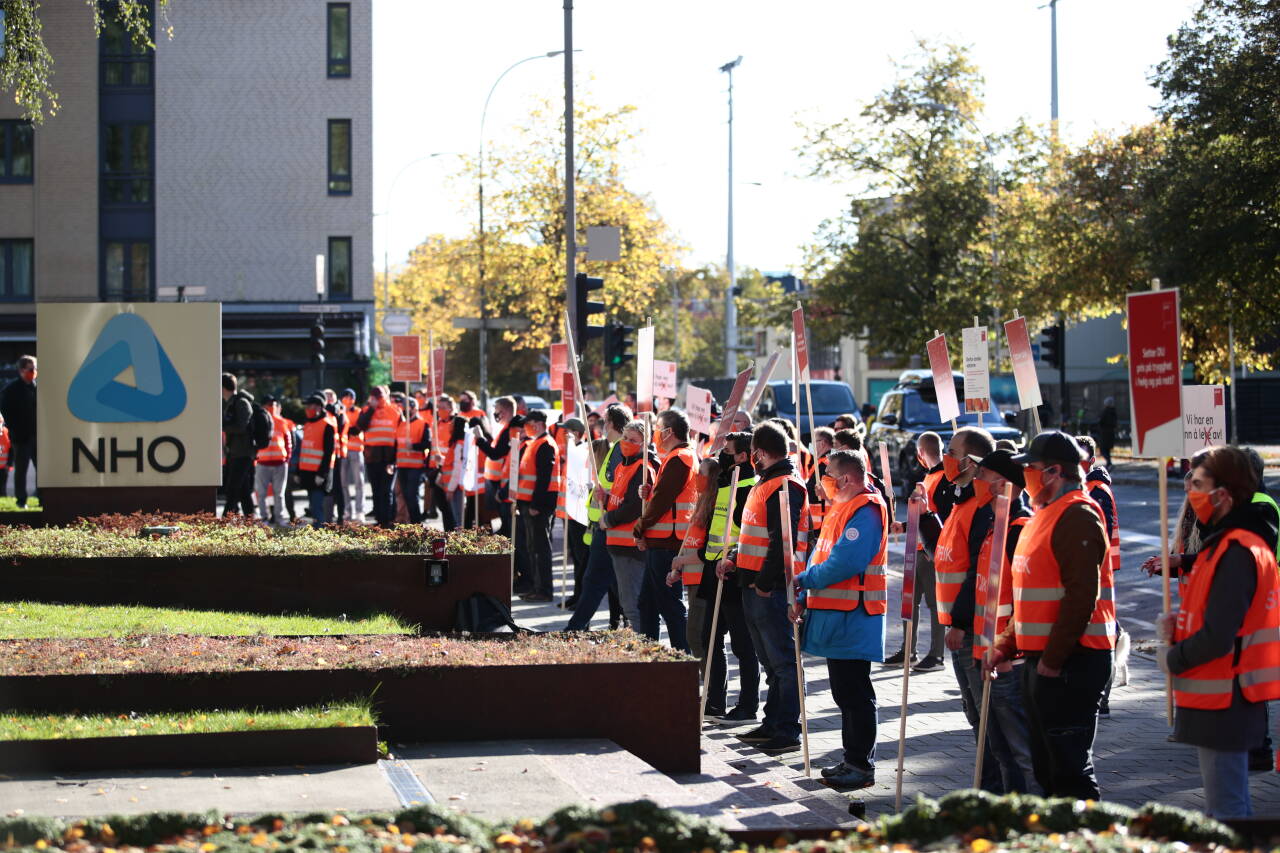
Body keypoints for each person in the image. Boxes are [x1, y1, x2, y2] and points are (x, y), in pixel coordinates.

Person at [983, 430, 1115, 800]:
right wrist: (1005, 646)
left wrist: (1054, 660)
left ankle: (1089, 838)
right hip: (1044, 659)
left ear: (1054, 472)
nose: (1024, 475)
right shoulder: (1044, 516)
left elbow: (1081, 596)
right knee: (1048, 767)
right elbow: (1030, 602)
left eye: (1031, 468)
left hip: (1074, 660)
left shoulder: (1077, 515)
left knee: (1068, 768)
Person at [1156, 446, 1280, 820]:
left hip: (1226, 697)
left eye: (1197, 483)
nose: (1189, 491)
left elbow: (1219, 634)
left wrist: (1172, 658)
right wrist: (1178, 630)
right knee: (1225, 805)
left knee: (1225, 812)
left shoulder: (1236, 549)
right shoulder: (1226, 544)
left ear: (1222, 495)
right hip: (1222, 696)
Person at [791, 448, 887, 789]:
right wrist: (804, 596)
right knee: (845, 692)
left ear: (846, 478)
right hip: (838, 613)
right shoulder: (843, 508)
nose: (824, 483)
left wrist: (805, 580)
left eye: (828, 475)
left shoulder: (866, 509)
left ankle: (860, 765)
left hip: (855, 615)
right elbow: (825, 554)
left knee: (855, 693)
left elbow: (846, 562)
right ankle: (852, 760)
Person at [717, 421, 810, 756]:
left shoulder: (784, 485)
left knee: (782, 661)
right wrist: (735, 558)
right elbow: (755, 535)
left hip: (770, 587)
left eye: (753, 451)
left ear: (759, 452)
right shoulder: (767, 482)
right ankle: (773, 722)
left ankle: (786, 729)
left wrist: (764, 583)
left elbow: (780, 541)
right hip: (754, 580)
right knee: (770, 661)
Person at [927, 426, 1000, 790]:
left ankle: (992, 787)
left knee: (986, 715)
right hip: (958, 623)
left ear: (971, 461)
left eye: (953, 451)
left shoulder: (984, 507)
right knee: (973, 711)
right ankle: (985, 783)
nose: (947, 457)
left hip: (972, 626)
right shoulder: (962, 501)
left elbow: (977, 568)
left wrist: (958, 620)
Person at [971, 449, 1039, 794]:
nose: (975, 482)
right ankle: (1013, 810)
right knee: (1000, 748)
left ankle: (1035, 817)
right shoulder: (996, 523)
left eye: (981, 475)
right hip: (991, 653)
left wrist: (1009, 652)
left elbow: (1025, 598)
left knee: (1021, 750)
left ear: (1001, 483)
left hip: (1009, 659)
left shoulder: (1018, 527)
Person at [687, 431, 760, 724]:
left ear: (742, 456)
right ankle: (714, 700)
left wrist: (730, 557)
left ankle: (747, 704)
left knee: (743, 644)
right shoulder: (725, 485)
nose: (722, 456)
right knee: (709, 637)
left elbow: (747, 534)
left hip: (733, 572)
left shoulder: (748, 488)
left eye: (728, 451)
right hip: (713, 569)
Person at [886, 431, 950, 672]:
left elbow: (939, 516)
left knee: (935, 605)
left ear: (921, 453)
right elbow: (924, 513)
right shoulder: (930, 477)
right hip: (919, 546)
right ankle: (908, 650)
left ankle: (936, 655)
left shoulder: (946, 478)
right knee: (909, 601)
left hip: (933, 550)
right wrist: (904, 526)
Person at [565, 405, 632, 632]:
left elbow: (622, 490)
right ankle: (587, 626)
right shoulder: (615, 449)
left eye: (605, 421)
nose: (603, 426)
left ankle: (575, 628)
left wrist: (607, 501)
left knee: (595, 582)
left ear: (611, 423)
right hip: (604, 525)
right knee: (607, 583)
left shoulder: (621, 450)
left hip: (612, 527)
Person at [633, 409, 695, 650]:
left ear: (669, 432)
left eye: (658, 429)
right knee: (647, 603)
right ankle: (650, 655)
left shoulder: (680, 457)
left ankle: (684, 659)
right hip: (662, 541)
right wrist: (649, 495)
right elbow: (663, 496)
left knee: (670, 606)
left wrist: (640, 526)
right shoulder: (681, 456)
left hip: (667, 542)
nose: (656, 434)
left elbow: (663, 500)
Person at [601, 420, 655, 626]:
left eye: (633, 440)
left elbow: (634, 506)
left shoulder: (642, 468)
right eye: (625, 438)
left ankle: (643, 647)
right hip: (618, 544)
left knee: (633, 605)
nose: (626, 443)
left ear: (644, 443)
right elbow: (620, 499)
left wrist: (608, 519)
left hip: (630, 546)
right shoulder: (623, 466)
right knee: (628, 602)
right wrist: (605, 499)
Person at [513, 409, 558, 602]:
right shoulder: (534, 443)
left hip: (538, 504)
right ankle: (536, 586)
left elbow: (543, 478)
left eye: (527, 423)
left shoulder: (545, 444)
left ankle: (544, 590)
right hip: (529, 502)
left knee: (540, 548)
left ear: (537, 424)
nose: (525, 427)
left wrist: (536, 503)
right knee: (533, 547)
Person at [352, 386, 400, 527]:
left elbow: (400, 434)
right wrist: (371, 409)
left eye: (380, 397)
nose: (378, 400)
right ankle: (380, 522)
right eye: (375, 397)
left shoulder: (394, 411)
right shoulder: (367, 410)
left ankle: (387, 521)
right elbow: (360, 426)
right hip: (372, 457)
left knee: (386, 491)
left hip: (389, 458)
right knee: (376, 490)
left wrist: (394, 460)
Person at [555, 418, 591, 607]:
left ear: (576, 433)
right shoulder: (570, 452)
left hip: (579, 514)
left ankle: (582, 596)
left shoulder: (583, 452)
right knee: (575, 559)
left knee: (582, 557)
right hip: (568, 513)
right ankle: (576, 595)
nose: (561, 436)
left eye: (565, 432)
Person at [477, 396, 517, 537]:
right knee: (503, 520)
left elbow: (496, 454)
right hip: (499, 479)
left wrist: (480, 441)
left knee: (506, 522)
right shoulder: (506, 429)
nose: (495, 414)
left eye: (497, 410)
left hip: (503, 481)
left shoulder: (511, 430)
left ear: (505, 411)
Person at [0, 356, 35, 508]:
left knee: (42, 468)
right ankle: (21, 500)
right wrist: (15, 429)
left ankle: (41, 496)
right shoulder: (12, 389)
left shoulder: (37, 387)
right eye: (31, 369)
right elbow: (6, 411)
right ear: (21, 370)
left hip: (37, 435)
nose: (34, 372)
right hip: (21, 437)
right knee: (21, 468)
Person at [254, 395, 294, 526]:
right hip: (262, 462)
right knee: (261, 494)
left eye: (274, 404)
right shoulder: (257, 420)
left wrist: (287, 458)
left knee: (279, 494)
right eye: (269, 404)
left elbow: (289, 441)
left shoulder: (282, 422)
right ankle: (263, 518)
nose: (272, 407)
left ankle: (279, 518)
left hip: (279, 463)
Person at [298, 394, 337, 528]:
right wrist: (299, 471)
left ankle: (320, 533)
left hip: (319, 475)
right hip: (308, 473)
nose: (307, 409)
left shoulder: (327, 425)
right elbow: (304, 450)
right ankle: (319, 531)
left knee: (317, 507)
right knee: (314, 507)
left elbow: (328, 453)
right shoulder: (308, 424)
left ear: (319, 407)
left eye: (310, 406)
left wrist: (322, 474)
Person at [220, 373, 256, 517]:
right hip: (235, 452)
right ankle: (250, 518)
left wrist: (223, 427)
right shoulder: (230, 403)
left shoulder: (241, 403)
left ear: (223, 387)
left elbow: (242, 427)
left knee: (233, 488)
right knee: (243, 489)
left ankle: (224, 520)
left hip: (244, 452)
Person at [395, 396, 431, 524]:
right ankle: (411, 523)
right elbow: (396, 445)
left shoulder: (423, 424)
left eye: (407, 407)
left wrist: (414, 446)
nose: (404, 410)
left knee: (412, 496)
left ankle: (416, 523)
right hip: (401, 465)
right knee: (405, 496)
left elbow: (428, 443)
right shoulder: (401, 425)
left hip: (415, 467)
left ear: (414, 408)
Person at [339, 389, 366, 522]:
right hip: (342, 450)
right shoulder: (339, 412)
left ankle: (360, 511)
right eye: (346, 396)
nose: (348, 399)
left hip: (356, 449)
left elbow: (357, 429)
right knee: (343, 483)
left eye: (351, 397)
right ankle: (347, 510)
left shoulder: (358, 412)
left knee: (359, 482)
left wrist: (346, 431)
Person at [1096, 397, 1117, 468]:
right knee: (1107, 449)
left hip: (1104, 433)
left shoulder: (1105, 412)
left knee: (1103, 449)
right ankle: (1109, 463)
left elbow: (1100, 421)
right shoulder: (1113, 412)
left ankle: (1109, 462)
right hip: (1111, 432)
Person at [0, 413, 10, 499]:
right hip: (4, 466)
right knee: (2, 488)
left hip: (4, 467)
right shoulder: (6, 432)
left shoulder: (6, 432)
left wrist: (9, 464)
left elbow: (11, 449)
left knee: (2, 488)